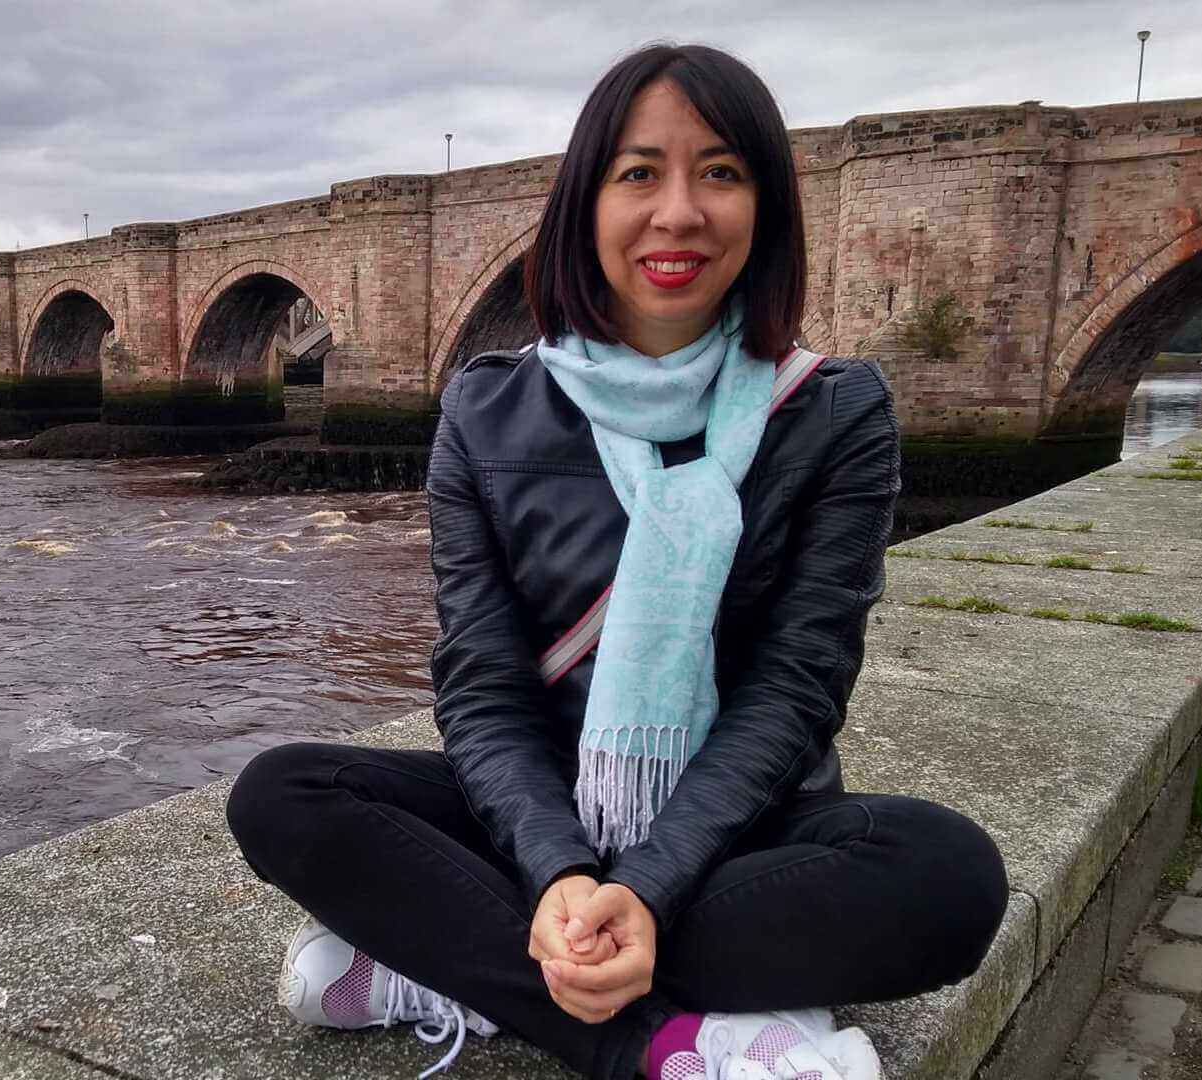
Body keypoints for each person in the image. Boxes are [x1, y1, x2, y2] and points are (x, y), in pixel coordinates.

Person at [226, 41, 1009, 1080]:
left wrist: (646, 883)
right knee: (282, 793)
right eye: (638, 173)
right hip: (531, 814)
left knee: (952, 879)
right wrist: (557, 872)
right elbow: (485, 686)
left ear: (766, 207)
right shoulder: (486, 409)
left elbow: (795, 687)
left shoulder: (836, 411)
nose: (678, 213)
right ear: (583, 207)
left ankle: (450, 962)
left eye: (720, 173)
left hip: (737, 827)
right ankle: (664, 1043)